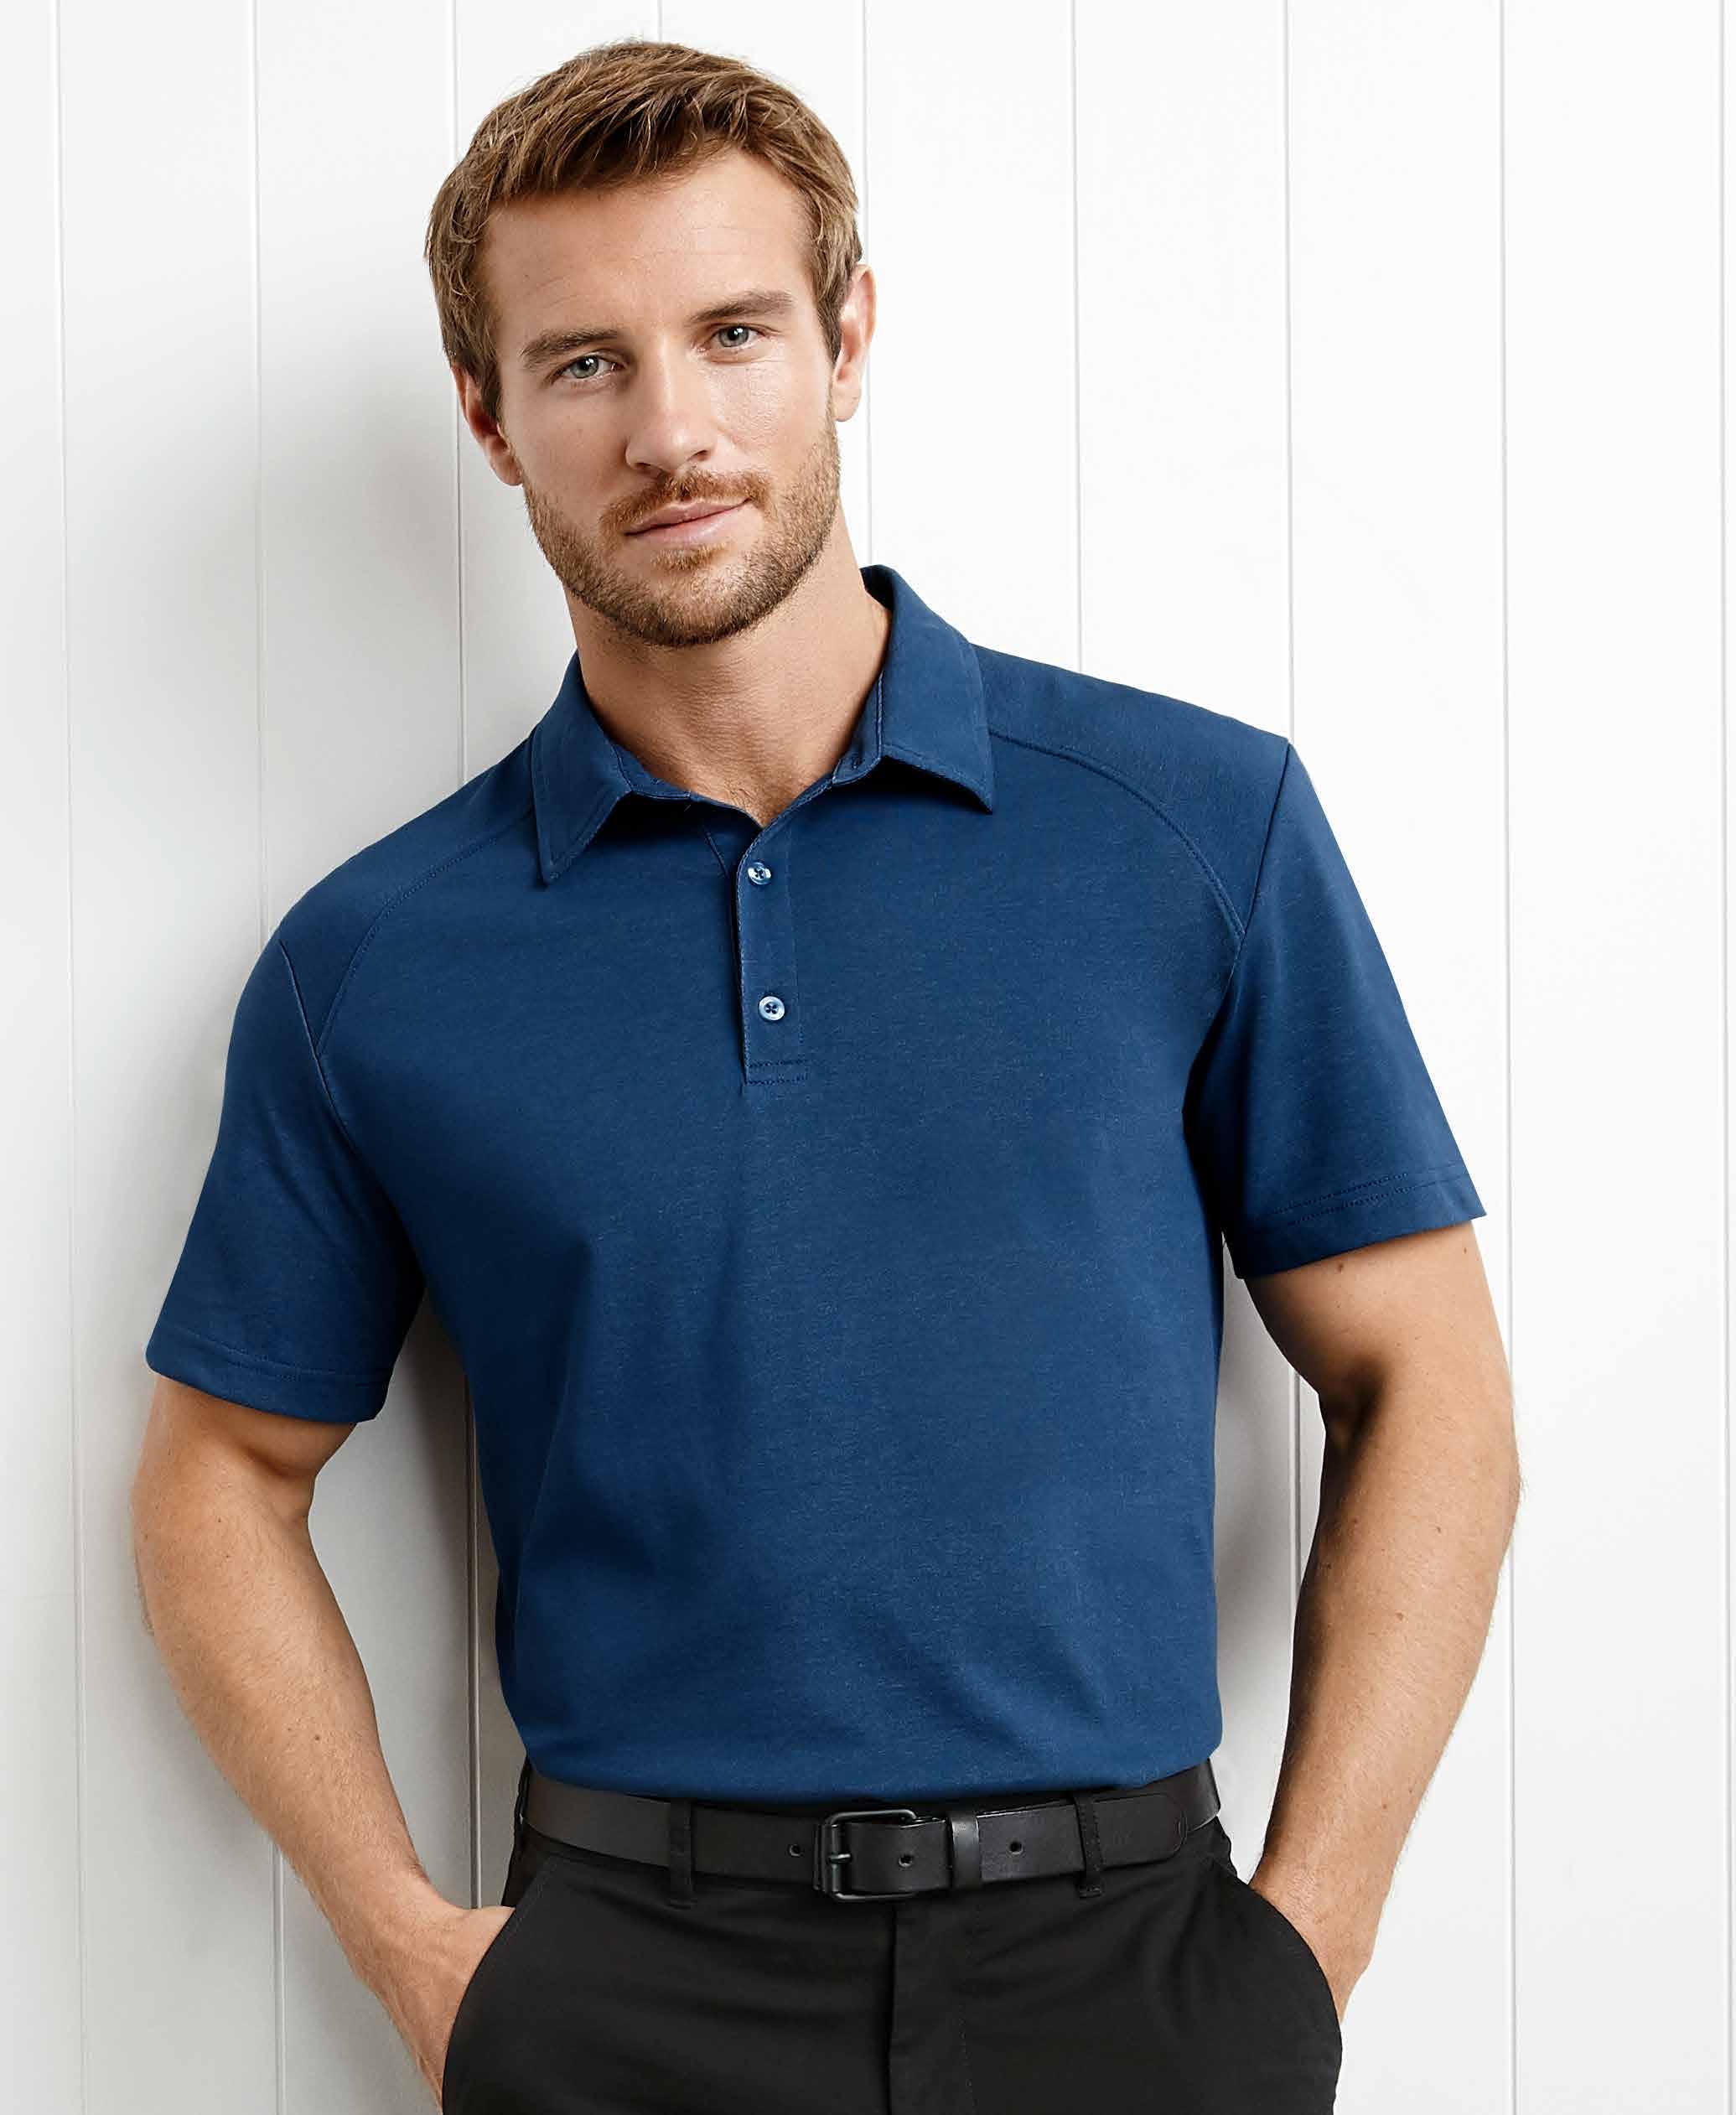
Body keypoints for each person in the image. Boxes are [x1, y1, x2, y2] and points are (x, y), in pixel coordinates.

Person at [132, 34, 1520, 2115]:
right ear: (489, 416)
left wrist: (1306, 1943)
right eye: (584, 362)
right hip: (628, 1994)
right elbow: (217, 1474)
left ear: (847, 339)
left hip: (1137, 1980)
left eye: (734, 332)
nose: (671, 429)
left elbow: (1432, 1384)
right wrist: (419, 1950)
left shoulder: (1188, 830)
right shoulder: (378, 960)